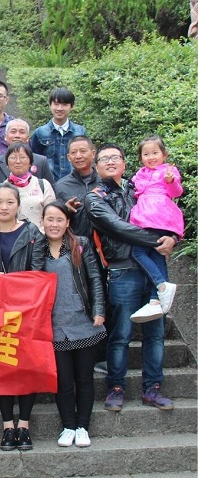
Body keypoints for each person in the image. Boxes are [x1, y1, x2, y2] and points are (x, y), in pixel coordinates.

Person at [84, 143, 177, 412]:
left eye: (116, 157)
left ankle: (153, 388)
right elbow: (119, 228)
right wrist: (159, 240)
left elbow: (165, 213)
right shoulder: (95, 197)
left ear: (125, 163)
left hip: (154, 268)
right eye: (104, 159)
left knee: (155, 333)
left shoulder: (141, 187)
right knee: (121, 333)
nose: (110, 162)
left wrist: (173, 236)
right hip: (123, 270)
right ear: (96, 167)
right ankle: (116, 387)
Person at [0, 182, 46, 451]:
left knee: (27, 367)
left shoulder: (33, 233)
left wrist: (12, 284)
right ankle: (8, 426)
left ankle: (24, 425)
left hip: (27, 310)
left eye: (10, 202)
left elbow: (38, 272)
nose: (4, 207)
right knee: (1, 367)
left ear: (18, 205)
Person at [41, 202, 106, 448]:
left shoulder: (81, 244)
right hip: (54, 325)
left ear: (67, 222)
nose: (54, 224)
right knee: (63, 381)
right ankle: (68, 426)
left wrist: (99, 309)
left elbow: (95, 277)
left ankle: (82, 427)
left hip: (83, 321)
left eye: (59, 219)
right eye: (50, 219)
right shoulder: (37, 249)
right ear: (42, 222)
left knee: (85, 379)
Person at [128, 136, 183, 322]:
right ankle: (156, 300)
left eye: (155, 153)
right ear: (140, 158)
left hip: (157, 215)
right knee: (156, 254)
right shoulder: (140, 174)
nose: (151, 157)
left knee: (137, 252)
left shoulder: (168, 171)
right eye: (146, 154)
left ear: (164, 154)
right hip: (145, 215)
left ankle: (161, 285)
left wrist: (170, 180)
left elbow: (176, 192)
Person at [0, 143, 56, 232]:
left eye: (22, 157)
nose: (18, 161)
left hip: (39, 237)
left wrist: (39, 236)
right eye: (13, 157)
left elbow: (52, 216)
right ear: (7, 164)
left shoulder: (43, 185)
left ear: (30, 163)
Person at [29, 87, 87, 182]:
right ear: (50, 105)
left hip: (75, 183)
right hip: (48, 184)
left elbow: (86, 159)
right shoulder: (39, 133)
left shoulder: (80, 132)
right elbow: (34, 162)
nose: (59, 108)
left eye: (64, 104)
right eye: (56, 104)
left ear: (71, 106)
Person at [53, 136, 100, 240]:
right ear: (68, 157)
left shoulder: (104, 182)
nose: (78, 156)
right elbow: (55, 218)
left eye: (83, 151)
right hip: (75, 242)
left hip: (105, 243)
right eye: (74, 152)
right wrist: (66, 210)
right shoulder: (60, 186)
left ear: (93, 154)